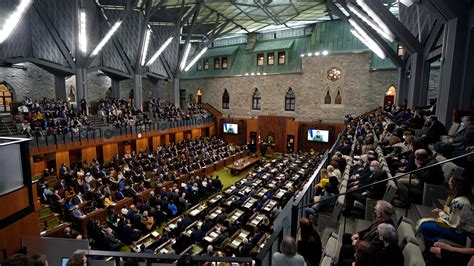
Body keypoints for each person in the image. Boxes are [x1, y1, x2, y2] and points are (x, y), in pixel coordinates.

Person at [417, 175, 474, 246]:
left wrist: (440, 213)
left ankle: (430, 246)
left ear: (457, 187)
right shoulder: (468, 199)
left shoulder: (459, 201)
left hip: (462, 235)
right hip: (465, 233)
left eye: (450, 184)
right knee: (428, 223)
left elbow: (452, 223)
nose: (448, 187)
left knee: (424, 225)